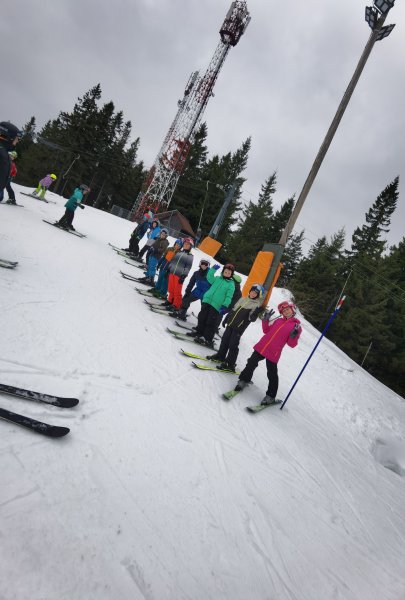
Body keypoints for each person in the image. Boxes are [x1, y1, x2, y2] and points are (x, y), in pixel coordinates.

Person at [235, 300, 302, 405]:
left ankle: (271, 396)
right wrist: (265, 321)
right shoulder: (278, 321)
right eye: (284, 311)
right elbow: (266, 331)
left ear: (292, 310)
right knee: (251, 363)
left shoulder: (296, 327)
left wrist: (294, 336)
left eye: (288, 309)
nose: (286, 312)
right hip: (262, 347)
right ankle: (244, 380)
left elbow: (291, 344)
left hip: (273, 352)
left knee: (272, 374)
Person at [207, 284, 265, 372]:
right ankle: (220, 356)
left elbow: (251, 319)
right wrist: (227, 318)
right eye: (252, 292)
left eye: (255, 294)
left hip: (239, 327)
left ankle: (230, 364)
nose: (253, 294)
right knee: (225, 340)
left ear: (258, 296)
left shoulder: (255, 305)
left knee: (233, 345)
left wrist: (255, 313)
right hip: (231, 323)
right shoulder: (243, 299)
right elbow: (234, 309)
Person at [188, 263, 235, 348]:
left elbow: (229, 296)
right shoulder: (217, 278)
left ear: (231, 274)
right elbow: (209, 278)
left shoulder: (231, 284)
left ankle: (207, 339)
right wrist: (213, 270)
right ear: (223, 271)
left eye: (229, 273)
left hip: (216, 305)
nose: (227, 274)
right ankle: (199, 332)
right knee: (202, 317)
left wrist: (225, 305)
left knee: (210, 322)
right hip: (207, 300)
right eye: (226, 272)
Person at [165, 237, 194, 310]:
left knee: (177, 290)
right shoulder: (179, 252)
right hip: (172, 273)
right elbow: (173, 261)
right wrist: (168, 269)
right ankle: (170, 301)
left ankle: (176, 305)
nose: (185, 245)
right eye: (185, 244)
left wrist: (184, 275)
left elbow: (188, 267)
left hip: (179, 275)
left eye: (188, 244)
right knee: (171, 288)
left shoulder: (190, 256)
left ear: (190, 246)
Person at [0, 121, 21, 202]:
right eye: (17, 139)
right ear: (10, 138)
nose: (17, 141)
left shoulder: (4, 153)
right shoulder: (2, 155)